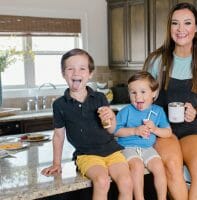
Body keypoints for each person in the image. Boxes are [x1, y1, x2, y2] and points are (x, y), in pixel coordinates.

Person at [143, 2, 197, 200]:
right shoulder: (157, 60)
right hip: (162, 129)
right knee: (172, 167)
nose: (181, 29)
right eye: (175, 23)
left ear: (196, 29)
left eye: (187, 23)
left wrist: (195, 111)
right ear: (170, 28)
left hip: (192, 128)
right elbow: (144, 96)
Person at [41, 48, 133, 200]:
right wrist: (56, 163)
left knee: (126, 181)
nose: (76, 73)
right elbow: (58, 135)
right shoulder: (59, 105)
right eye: (70, 69)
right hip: (87, 155)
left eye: (82, 69)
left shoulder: (100, 98)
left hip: (113, 152)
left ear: (90, 74)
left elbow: (111, 129)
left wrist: (112, 117)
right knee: (102, 181)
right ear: (63, 74)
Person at [114, 71, 172, 200]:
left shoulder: (157, 111)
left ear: (154, 93)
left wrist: (155, 129)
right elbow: (115, 131)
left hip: (147, 149)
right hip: (127, 148)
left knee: (159, 166)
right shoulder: (126, 111)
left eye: (143, 92)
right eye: (133, 92)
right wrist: (134, 131)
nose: (137, 97)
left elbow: (168, 132)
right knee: (137, 166)